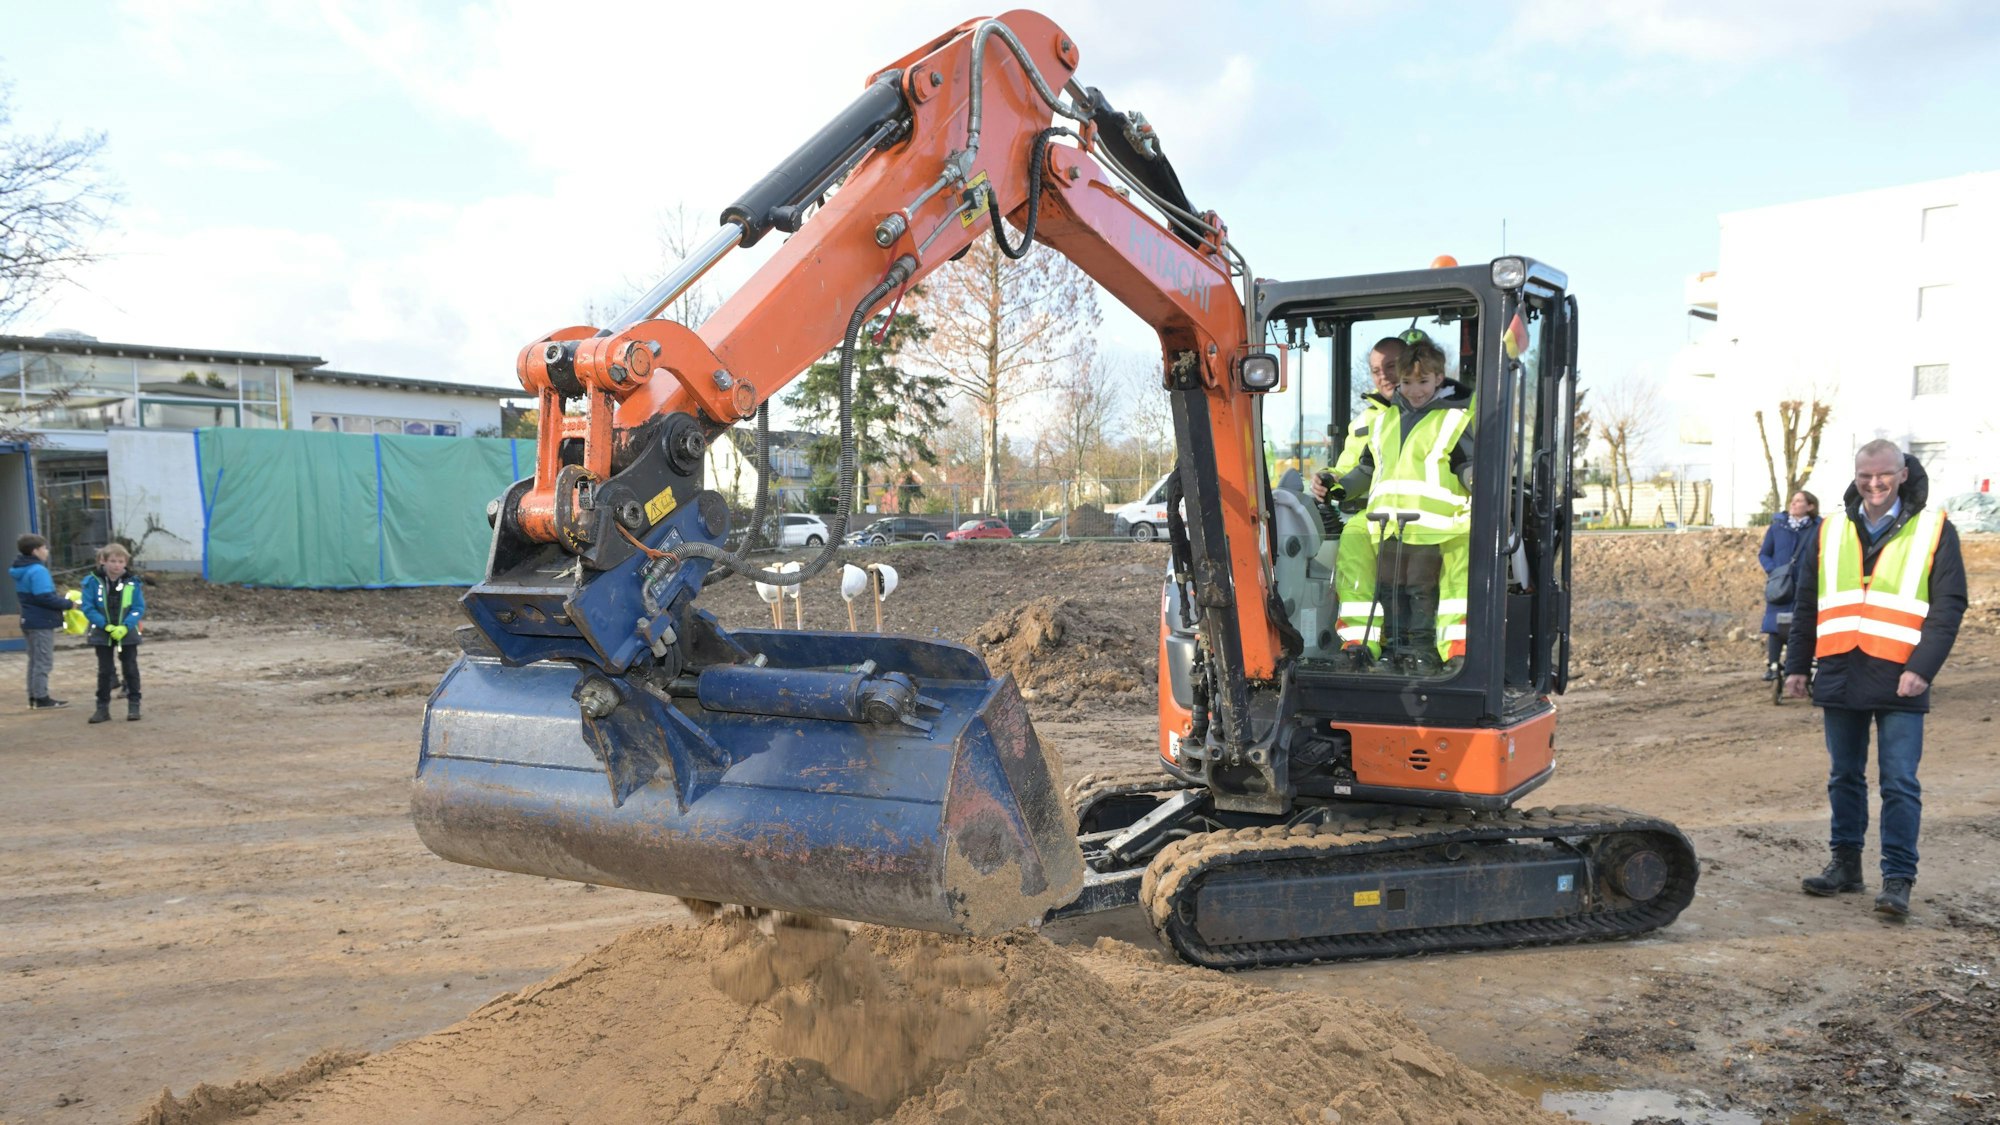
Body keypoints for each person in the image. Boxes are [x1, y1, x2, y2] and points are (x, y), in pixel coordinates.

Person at [1785, 441, 1966, 920]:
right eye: (1865, 475)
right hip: (1842, 669)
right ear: (1856, 475)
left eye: (1883, 474)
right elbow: (1807, 602)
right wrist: (1797, 666)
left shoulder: (1935, 530)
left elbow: (1948, 608)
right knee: (1844, 776)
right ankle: (1845, 865)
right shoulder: (1832, 529)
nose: (1874, 484)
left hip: (1902, 675)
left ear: (1902, 474)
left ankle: (1898, 879)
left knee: (1900, 782)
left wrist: (1922, 669)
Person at [1327, 331, 1473, 673]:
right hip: (1388, 527)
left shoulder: (1452, 419)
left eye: (1423, 381)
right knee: (1390, 592)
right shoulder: (1384, 423)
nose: (1415, 390)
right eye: (1407, 382)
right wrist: (1339, 489)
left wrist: (1474, 479)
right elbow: (1365, 468)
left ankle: (1422, 651)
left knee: (1421, 593)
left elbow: (1465, 463)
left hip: (1429, 530)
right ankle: (1393, 650)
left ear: (1439, 379)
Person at [1756, 490, 1820, 681]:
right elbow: (1764, 554)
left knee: (1805, 623)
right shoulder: (1777, 528)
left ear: (1810, 507)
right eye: (1792, 501)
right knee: (1776, 625)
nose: (1793, 504)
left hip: (1808, 584)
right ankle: (1773, 665)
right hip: (1781, 585)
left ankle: (1804, 665)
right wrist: (1773, 570)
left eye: (1799, 501)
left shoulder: (1819, 528)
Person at [81, 542, 146, 723]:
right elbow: (88, 607)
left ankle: (134, 705)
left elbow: (138, 607)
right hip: (102, 633)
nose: (116, 565)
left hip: (128, 632)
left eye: (120, 561)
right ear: (104, 561)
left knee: (131, 668)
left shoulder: (133, 582)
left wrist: (125, 626)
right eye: (113, 561)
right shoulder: (92, 582)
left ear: (125, 563)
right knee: (105, 671)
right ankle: (102, 709)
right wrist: (106, 625)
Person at [10, 533, 76, 709]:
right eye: (44, 548)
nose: (46, 551)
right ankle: (41, 697)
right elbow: (45, 597)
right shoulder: (38, 570)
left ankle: (34, 696)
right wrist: (69, 604)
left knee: (34, 660)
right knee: (43, 660)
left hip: (28, 619)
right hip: (41, 621)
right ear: (35, 551)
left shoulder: (21, 569)